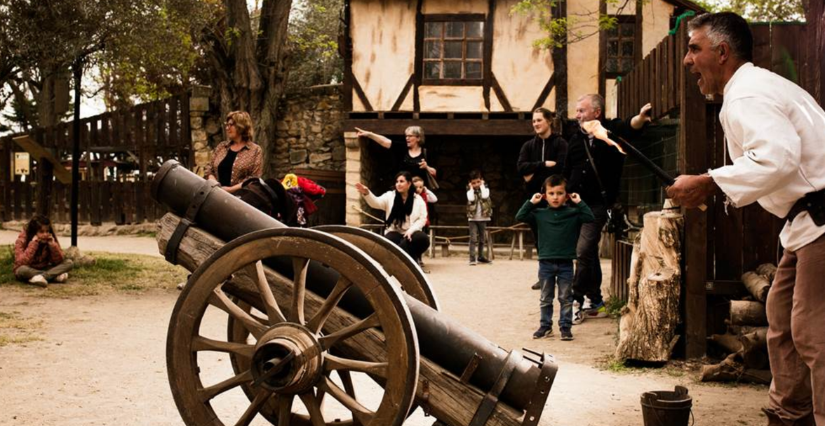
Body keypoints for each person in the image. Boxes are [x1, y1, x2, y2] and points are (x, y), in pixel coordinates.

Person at [668, 12, 825, 426]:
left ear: (721, 53)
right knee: (783, 320)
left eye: (694, 48)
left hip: (822, 221)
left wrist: (709, 182)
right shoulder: (760, 87)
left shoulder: (747, 95)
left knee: (813, 333)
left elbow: (778, 157)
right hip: (807, 223)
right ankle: (789, 415)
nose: (687, 59)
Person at [564, 94, 651, 323]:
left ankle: (574, 301)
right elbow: (567, 172)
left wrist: (640, 118)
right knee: (589, 253)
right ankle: (597, 301)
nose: (577, 115)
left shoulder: (610, 130)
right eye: (577, 110)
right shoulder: (574, 139)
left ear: (596, 113)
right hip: (573, 204)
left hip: (597, 206)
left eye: (582, 110)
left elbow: (629, 126)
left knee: (582, 252)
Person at [516, 175, 594, 341]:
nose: (556, 197)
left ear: (566, 195)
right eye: (551, 193)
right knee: (546, 298)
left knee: (565, 298)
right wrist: (531, 202)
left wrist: (579, 202)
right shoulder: (539, 214)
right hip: (545, 263)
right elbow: (520, 216)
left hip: (565, 263)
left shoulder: (573, 214)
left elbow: (590, 217)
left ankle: (565, 327)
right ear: (545, 195)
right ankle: (545, 326)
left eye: (560, 193)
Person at [517, 107, 568, 289]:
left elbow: (561, 169)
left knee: (557, 238)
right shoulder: (529, 146)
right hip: (536, 201)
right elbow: (521, 169)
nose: (536, 124)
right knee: (540, 240)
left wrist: (534, 172)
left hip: (556, 201)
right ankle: (545, 277)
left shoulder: (560, 144)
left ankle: (561, 276)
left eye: (539, 120)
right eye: (534, 121)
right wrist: (543, 164)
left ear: (549, 121)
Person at [355, 171, 430, 262]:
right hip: (395, 232)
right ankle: (410, 262)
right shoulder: (390, 196)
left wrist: (411, 230)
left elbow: (422, 219)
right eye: (397, 182)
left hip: (411, 233)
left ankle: (400, 260)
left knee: (422, 239)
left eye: (401, 181)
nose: (398, 184)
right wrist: (367, 193)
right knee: (388, 241)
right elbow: (376, 203)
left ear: (409, 183)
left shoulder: (418, 199)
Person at [205, 111, 263, 194]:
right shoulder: (222, 147)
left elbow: (254, 179)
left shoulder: (255, 150)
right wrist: (215, 185)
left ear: (241, 126)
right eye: (227, 125)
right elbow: (209, 169)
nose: (227, 128)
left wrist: (230, 190)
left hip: (241, 200)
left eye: (231, 125)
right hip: (216, 197)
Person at [355, 126, 437, 184]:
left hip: (419, 192)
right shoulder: (402, 148)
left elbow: (435, 173)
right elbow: (385, 141)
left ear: (418, 138)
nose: (407, 138)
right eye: (406, 136)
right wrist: (369, 134)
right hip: (402, 190)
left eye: (410, 136)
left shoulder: (426, 152)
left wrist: (426, 167)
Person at [13, 214, 73, 288]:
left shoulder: (50, 238)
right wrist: (33, 244)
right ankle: (53, 276)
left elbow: (58, 261)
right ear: (34, 232)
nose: (45, 234)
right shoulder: (22, 239)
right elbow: (20, 262)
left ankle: (40, 278)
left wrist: (53, 246)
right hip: (28, 268)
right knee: (21, 270)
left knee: (69, 263)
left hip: (44, 267)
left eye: (47, 231)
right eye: (41, 232)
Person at [466, 170, 493, 265]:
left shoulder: (485, 189)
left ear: (482, 180)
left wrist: (482, 186)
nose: (476, 184)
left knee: (482, 239)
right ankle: (472, 258)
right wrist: (471, 189)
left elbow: (485, 196)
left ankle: (481, 256)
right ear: (470, 183)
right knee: (473, 239)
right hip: (473, 218)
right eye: (474, 183)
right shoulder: (469, 191)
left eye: (478, 182)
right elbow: (471, 199)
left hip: (483, 217)